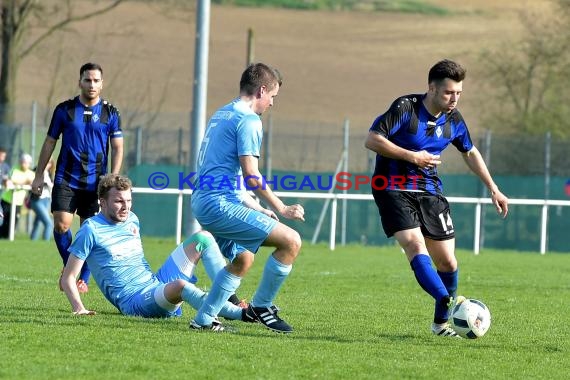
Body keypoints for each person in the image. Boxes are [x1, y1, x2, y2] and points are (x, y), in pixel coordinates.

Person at [364, 59, 509, 337]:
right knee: (414, 243)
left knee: (448, 263)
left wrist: (493, 187)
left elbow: (469, 152)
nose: (454, 99)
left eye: (458, 93)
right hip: (392, 186)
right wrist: (412, 156)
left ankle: (440, 324)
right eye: (448, 93)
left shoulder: (454, 119)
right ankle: (448, 301)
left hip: (430, 191)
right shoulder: (405, 108)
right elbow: (372, 139)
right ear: (431, 88)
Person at [190, 63, 305, 333]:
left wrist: (256, 207)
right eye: (273, 96)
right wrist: (281, 207)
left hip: (204, 201)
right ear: (262, 90)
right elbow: (251, 175)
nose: (272, 103)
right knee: (291, 241)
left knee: (243, 259)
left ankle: (204, 320)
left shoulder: (222, 114)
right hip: (219, 204)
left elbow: (225, 173)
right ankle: (262, 306)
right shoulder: (249, 120)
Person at [61, 173, 247, 326]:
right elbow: (68, 276)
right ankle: (242, 315)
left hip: (155, 284)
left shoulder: (132, 219)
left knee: (202, 238)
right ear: (102, 201)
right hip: (134, 302)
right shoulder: (90, 229)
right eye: (119, 201)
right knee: (181, 286)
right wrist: (79, 308)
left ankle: (233, 300)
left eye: (129, 200)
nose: (125, 207)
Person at [31, 62, 123, 293]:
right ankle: (68, 269)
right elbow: (50, 142)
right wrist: (39, 174)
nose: (91, 84)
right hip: (66, 178)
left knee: (89, 232)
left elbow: (118, 147)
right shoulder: (64, 110)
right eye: (87, 80)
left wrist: (112, 177)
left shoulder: (111, 113)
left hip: (96, 182)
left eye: (96, 80)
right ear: (79, 82)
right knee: (62, 225)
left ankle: (82, 278)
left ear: (102, 84)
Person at [0, 153, 35, 239]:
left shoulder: (31, 173)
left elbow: (31, 182)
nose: (24, 164)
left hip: (18, 202)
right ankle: (3, 237)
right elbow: (11, 180)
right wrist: (24, 181)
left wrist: (23, 182)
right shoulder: (15, 168)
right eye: (23, 162)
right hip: (7, 200)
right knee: (4, 221)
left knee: (14, 221)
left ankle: (7, 238)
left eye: (26, 163)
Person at [30, 158, 55, 241]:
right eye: (46, 162)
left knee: (37, 221)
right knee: (48, 223)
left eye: (49, 163)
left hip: (46, 199)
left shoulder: (49, 173)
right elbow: (32, 181)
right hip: (37, 200)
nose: (47, 165)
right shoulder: (36, 170)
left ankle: (32, 241)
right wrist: (45, 184)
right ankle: (46, 242)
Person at [0, 147, 10, 227]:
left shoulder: (5, 166)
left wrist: (7, 182)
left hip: (1, 195)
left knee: (1, 220)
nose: (3, 157)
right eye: (1, 155)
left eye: (4, 156)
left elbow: (6, 178)